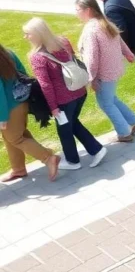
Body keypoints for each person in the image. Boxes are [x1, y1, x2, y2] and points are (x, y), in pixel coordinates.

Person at [23, 18, 107, 170]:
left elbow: (46, 85)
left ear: (37, 34)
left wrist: (53, 107)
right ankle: (96, 149)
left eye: (27, 34)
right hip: (79, 91)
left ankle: (73, 161)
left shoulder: (37, 57)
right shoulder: (63, 41)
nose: (25, 37)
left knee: (64, 130)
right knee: (72, 122)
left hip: (63, 100)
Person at [75, 0, 135, 142]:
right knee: (111, 98)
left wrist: (91, 79)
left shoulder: (91, 30)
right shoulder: (105, 22)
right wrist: (128, 54)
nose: (76, 13)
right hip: (114, 69)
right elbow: (119, 39)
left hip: (104, 74)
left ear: (87, 10)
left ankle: (124, 133)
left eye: (78, 10)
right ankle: (134, 121)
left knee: (106, 103)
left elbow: (91, 58)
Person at [1, 46, 60, 182]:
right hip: (21, 100)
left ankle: (48, 158)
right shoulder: (7, 52)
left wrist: (2, 117)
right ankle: (18, 169)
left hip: (9, 108)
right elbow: (22, 72)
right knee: (13, 135)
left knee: (15, 138)